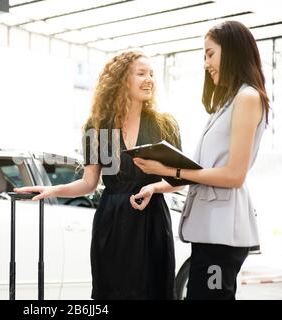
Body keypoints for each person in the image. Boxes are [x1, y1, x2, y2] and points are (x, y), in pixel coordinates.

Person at [14, 51, 184, 299]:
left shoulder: (163, 124)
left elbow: (179, 179)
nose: (149, 79)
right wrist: (52, 190)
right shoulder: (98, 126)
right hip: (112, 222)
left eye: (151, 74)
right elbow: (89, 182)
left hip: (152, 221)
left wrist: (154, 188)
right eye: (141, 73)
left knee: (152, 291)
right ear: (122, 79)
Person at [132, 21, 270, 300]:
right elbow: (198, 172)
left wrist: (169, 169)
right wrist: (156, 185)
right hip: (209, 231)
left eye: (210, 54)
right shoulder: (226, 103)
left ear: (231, 51)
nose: (206, 63)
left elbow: (233, 176)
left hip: (222, 234)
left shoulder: (247, 97)